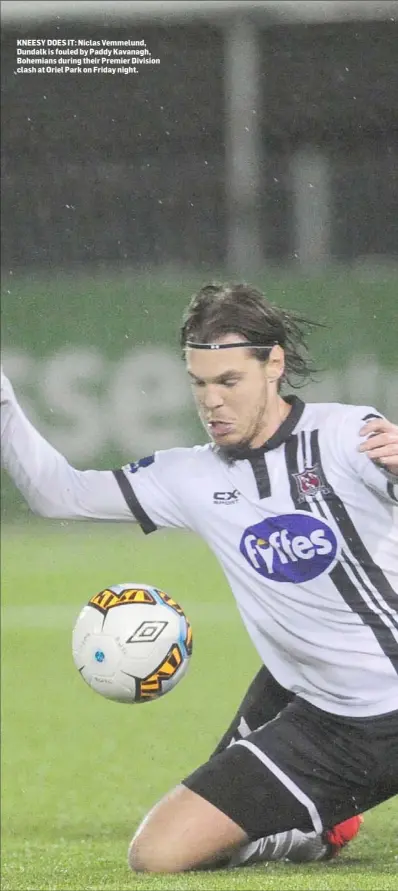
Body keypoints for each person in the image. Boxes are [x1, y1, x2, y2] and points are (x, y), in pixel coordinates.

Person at [1, 282, 397, 874]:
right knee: (157, 856)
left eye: (229, 381)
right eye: (199, 383)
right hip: (308, 701)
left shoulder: (348, 437)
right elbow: (58, 493)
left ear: (274, 367)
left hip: (382, 710)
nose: (212, 402)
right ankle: (311, 832)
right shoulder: (189, 476)